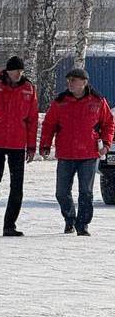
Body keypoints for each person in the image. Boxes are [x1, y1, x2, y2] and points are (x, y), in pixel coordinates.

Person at [40, 67, 114, 236]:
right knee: (61, 192)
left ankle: (83, 225)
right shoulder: (60, 101)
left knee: (85, 192)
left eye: (74, 80)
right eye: (69, 80)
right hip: (66, 153)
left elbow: (108, 123)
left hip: (88, 154)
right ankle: (69, 219)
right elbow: (49, 125)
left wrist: (107, 143)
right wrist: (44, 145)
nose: (70, 83)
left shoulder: (97, 101)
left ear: (84, 82)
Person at [0, 56, 38, 237]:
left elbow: (32, 120)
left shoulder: (29, 88)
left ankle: (9, 225)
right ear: (8, 71)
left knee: (17, 187)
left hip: (17, 144)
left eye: (21, 71)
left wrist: (31, 146)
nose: (19, 74)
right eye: (16, 70)